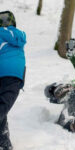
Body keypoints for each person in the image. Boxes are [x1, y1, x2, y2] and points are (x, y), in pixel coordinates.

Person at [0, 11, 26, 150]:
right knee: (3, 105)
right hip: (16, 75)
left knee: (1, 107)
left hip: (1, 72)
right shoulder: (19, 36)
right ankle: (4, 142)